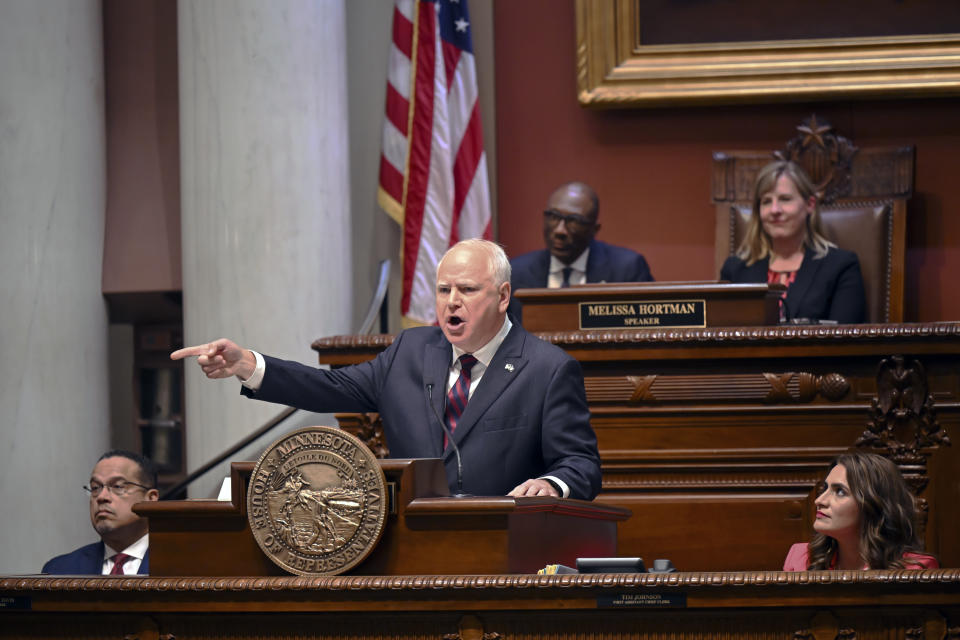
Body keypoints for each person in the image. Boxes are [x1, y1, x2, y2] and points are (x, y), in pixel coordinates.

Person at [171, 239, 602, 500]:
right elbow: (329, 387)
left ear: (503, 296)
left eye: (467, 290)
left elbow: (581, 465)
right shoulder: (411, 351)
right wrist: (248, 364)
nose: (452, 301)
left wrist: (552, 484)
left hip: (503, 548)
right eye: (443, 289)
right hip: (409, 548)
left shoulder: (547, 369)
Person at [720, 161, 866, 324]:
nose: (775, 210)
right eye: (766, 201)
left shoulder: (841, 266)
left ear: (810, 204)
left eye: (785, 199)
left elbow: (847, 339)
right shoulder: (735, 269)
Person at [509, 181, 653, 320]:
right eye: (553, 216)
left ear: (594, 229)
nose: (560, 230)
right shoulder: (515, 273)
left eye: (573, 220)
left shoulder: (626, 271)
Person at [783, 451, 939, 571]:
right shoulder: (800, 558)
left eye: (840, 491)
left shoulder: (917, 568)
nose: (819, 501)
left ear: (874, 504)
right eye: (825, 489)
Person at [43, 450, 159, 575]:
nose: (101, 497)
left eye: (118, 486)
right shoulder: (59, 570)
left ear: (151, 498)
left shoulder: (180, 563)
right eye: (95, 488)